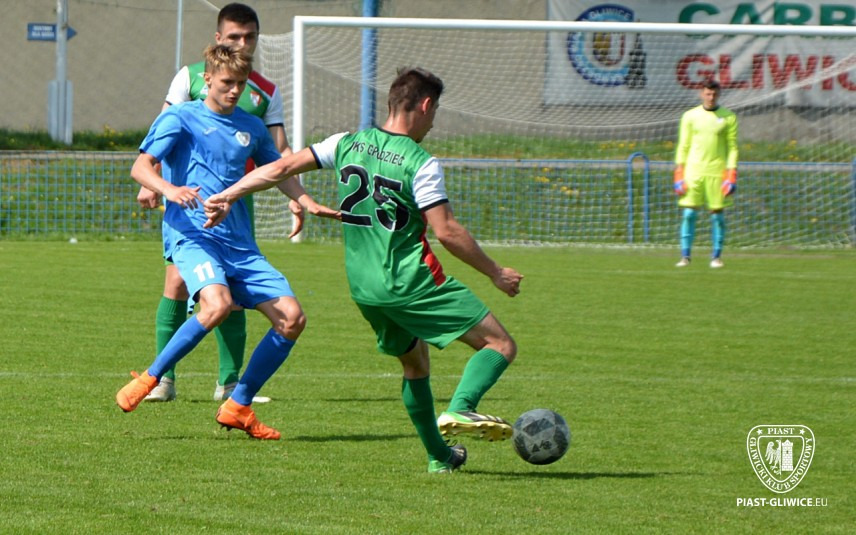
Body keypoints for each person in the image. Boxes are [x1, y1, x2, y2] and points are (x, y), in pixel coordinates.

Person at [204, 67, 523, 473]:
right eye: (435, 112)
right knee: (500, 345)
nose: (433, 123)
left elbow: (281, 168)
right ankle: (462, 406)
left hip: (365, 289)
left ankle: (440, 457)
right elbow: (447, 231)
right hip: (411, 281)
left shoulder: (346, 143)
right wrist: (495, 272)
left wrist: (228, 194)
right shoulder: (421, 163)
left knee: (415, 365)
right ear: (425, 105)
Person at [117, 45, 339, 440]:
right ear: (207, 80)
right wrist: (169, 189)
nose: (235, 91)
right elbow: (141, 166)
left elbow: (278, 169)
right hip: (193, 236)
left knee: (292, 318)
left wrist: (304, 201)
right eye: (227, 83)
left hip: (240, 244)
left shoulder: (251, 126)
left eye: (240, 84)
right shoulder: (181, 117)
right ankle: (152, 378)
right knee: (217, 305)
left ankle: (238, 405)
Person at [137, 3, 303, 403]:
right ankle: (163, 379)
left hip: (235, 204)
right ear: (218, 38)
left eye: (250, 37)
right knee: (178, 282)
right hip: (187, 203)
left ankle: (229, 383)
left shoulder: (264, 91)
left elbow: (278, 151)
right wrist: (156, 182)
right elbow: (163, 127)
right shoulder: (190, 76)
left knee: (234, 293)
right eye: (234, 36)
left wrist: (297, 195)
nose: (242, 43)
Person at [673, 78, 738, 268]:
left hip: (717, 172)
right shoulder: (690, 116)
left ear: (719, 94)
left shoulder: (728, 117)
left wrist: (731, 173)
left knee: (717, 216)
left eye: (714, 94)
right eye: (708, 94)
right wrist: (679, 172)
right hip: (693, 172)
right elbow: (683, 145)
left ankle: (716, 257)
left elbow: (732, 147)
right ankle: (685, 257)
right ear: (701, 94)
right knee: (689, 214)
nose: (711, 97)